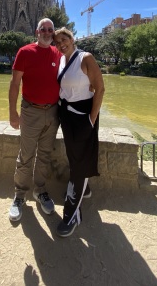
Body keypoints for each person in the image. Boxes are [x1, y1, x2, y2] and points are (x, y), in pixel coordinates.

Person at [8, 18, 62, 222]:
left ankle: (40, 191)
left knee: (45, 154)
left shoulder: (58, 54)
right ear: (36, 32)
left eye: (50, 30)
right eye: (43, 29)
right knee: (26, 154)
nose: (47, 32)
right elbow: (14, 84)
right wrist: (13, 112)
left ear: (53, 33)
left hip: (53, 111)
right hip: (30, 111)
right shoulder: (25, 52)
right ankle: (19, 195)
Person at [53, 27, 105, 237]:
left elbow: (99, 88)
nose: (61, 44)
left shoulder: (86, 57)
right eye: (57, 42)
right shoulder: (62, 61)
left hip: (83, 116)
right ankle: (86, 188)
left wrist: (91, 119)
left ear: (72, 39)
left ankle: (71, 215)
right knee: (74, 157)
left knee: (79, 162)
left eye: (64, 39)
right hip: (67, 115)